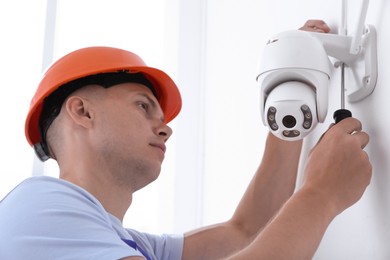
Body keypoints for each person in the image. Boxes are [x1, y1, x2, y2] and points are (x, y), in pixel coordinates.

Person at [0, 20, 371, 259]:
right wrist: (322, 194)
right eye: (143, 106)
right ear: (82, 112)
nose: (165, 128)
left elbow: (246, 231)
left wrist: (290, 99)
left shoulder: (125, 245)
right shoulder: (38, 205)